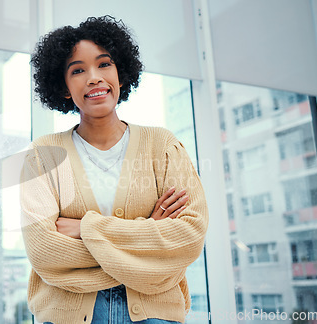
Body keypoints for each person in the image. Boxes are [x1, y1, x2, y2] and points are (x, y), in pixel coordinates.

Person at [20, 15, 209, 324]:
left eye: (104, 64)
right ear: (64, 87)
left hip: (156, 314)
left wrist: (86, 229)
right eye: (78, 70)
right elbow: (45, 252)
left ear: (122, 75)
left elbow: (188, 236)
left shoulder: (162, 146)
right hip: (68, 314)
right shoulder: (43, 155)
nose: (94, 77)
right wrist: (148, 235)